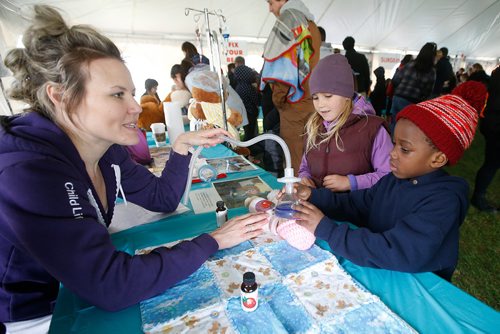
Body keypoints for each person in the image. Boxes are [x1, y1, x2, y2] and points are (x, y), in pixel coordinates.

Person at [0, 5, 268, 331]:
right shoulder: (29, 172)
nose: (136, 107)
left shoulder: (107, 149)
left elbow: (162, 198)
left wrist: (181, 146)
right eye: (117, 95)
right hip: (35, 313)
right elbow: (112, 285)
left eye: (133, 92)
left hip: (78, 286)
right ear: (61, 96)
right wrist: (213, 240)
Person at [291, 81, 488, 281]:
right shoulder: (392, 180)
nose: (392, 154)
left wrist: (328, 230)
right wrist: (313, 196)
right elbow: (357, 204)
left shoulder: (444, 201)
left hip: (418, 285)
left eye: (404, 149)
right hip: (381, 270)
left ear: (437, 159)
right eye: (394, 144)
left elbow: (395, 250)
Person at [298, 54, 392, 191]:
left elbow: (388, 175)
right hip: (317, 206)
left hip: (356, 209)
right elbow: (305, 166)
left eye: (328, 96)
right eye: (315, 97)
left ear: (346, 95)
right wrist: (304, 178)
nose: (321, 104)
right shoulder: (314, 127)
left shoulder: (372, 129)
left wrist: (352, 182)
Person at [260, 0, 321, 175]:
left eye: (271, 3)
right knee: (309, 156)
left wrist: (278, 100)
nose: (270, 9)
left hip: (294, 104)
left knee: (294, 161)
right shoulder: (311, 25)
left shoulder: (290, 18)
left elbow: (282, 68)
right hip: (312, 101)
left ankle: (296, 199)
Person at [389, 42, 437, 133]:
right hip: (412, 101)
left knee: (394, 123)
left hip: (398, 97)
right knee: (406, 128)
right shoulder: (431, 71)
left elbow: (395, 79)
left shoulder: (410, 64)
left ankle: (389, 144)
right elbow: (428, 91)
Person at [471, 66, 500, 212]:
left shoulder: (496, 73)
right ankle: (478, 197)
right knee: (492, 163)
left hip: (491, 121)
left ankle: (478, 196)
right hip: (495, 123)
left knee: (492, 163)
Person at [234, 56, 259, 142]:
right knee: (250, 134)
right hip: (250, 113)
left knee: (247, 132)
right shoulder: (248, 87)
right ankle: (250, 151)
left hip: (243, 113)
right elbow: (257, 100)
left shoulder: (239, 86)